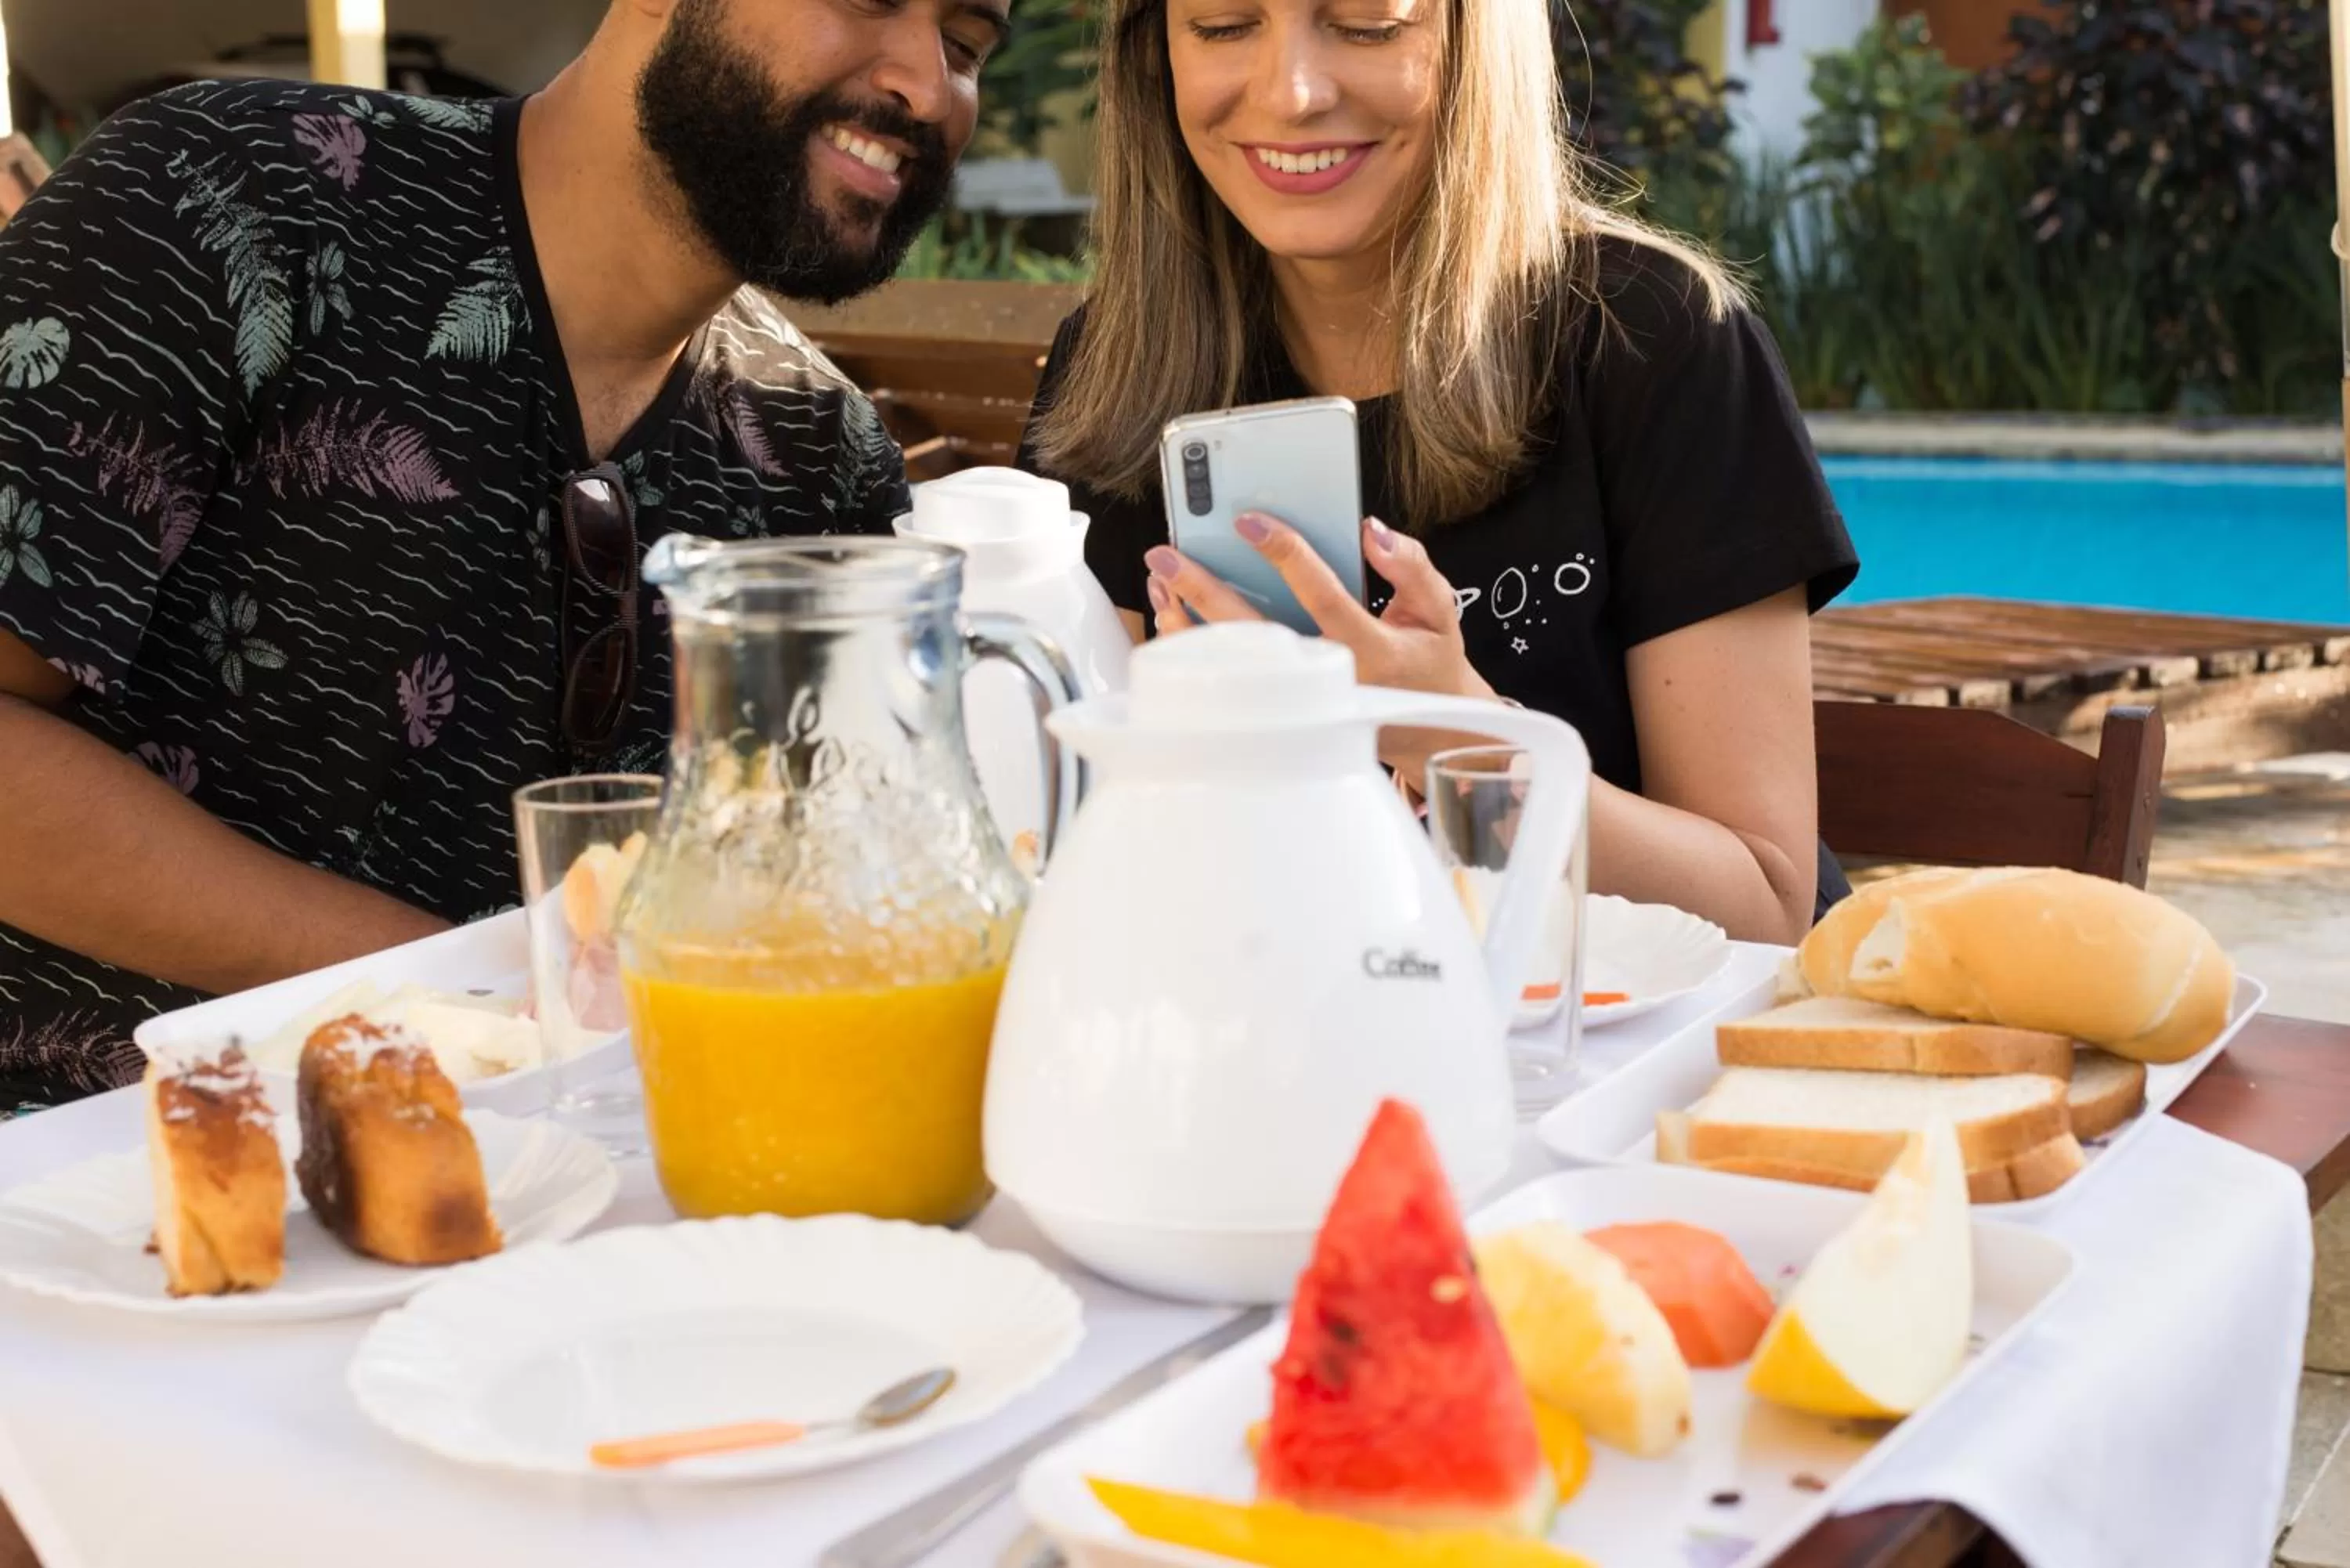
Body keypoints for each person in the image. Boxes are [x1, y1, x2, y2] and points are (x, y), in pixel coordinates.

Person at [0, 0, 1002, 1109]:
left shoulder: (825, 455)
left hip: (585, 1203)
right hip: (87, 1199)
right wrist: (476, 989)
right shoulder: (222, 197)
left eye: (967, 44)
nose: (924, 80)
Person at [1018, 0, 1857, 945]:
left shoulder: (1655, 342)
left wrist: (1452, 736)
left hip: (1624, 1059)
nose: (1293, 94)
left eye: (1369, 25)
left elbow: (1766, 908)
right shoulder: (1123, 372)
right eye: (1220, 25)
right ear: (1153, 54)